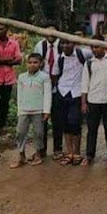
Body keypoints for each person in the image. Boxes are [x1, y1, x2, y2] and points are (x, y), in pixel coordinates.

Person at [53, 38, 91, 166]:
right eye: (62, 43)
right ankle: (69, 153)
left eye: (68, 42)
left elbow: (98, 50)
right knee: (65, 124)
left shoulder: (82, 54)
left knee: (74, 123)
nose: (65, 45)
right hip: (63, 92)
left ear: (73, 43)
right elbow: (55, 75)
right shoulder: (60, 59)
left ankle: (77, 152)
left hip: (77, 93)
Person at [81, 35, 107, 168]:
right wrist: (84, 102)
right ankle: (89, 155)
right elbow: (85, 84)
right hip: (93, 100)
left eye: (97, 46)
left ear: (104, 45)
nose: (95, 50)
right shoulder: (89, 63)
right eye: (92, 47)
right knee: (92, 129)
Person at [9, 53, 51, 168]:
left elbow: (47, 94)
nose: (32, 65)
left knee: (38, 133)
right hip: (24, 110)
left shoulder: (44, 77)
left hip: (38, 110)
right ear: (27, 63)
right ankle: (21, 155)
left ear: (41, 64)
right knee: (20, 132)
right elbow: (20, 95)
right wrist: (19, 110)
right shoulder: (22, 77)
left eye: (35, 62)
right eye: (30, 62)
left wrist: (46, 111)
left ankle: (38, 155)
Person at [0, 24, 22, 136]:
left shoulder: (14, 43)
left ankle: (1, 127)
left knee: (4, 104)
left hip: (8, 79)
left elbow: (18, 60)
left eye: (1, 29)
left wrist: (0, 60)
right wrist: (9, 60)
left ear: (6, 30)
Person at [35, 24, 62, 159]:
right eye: (48, 32)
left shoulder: (62, 45)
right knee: (42, 121)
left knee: (58, 120)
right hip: (43, 88)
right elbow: (35, 63)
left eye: (53, 32)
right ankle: (41, 149)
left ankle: (57, 149)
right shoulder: (40, 46)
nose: (51, 35)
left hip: (58, 87)